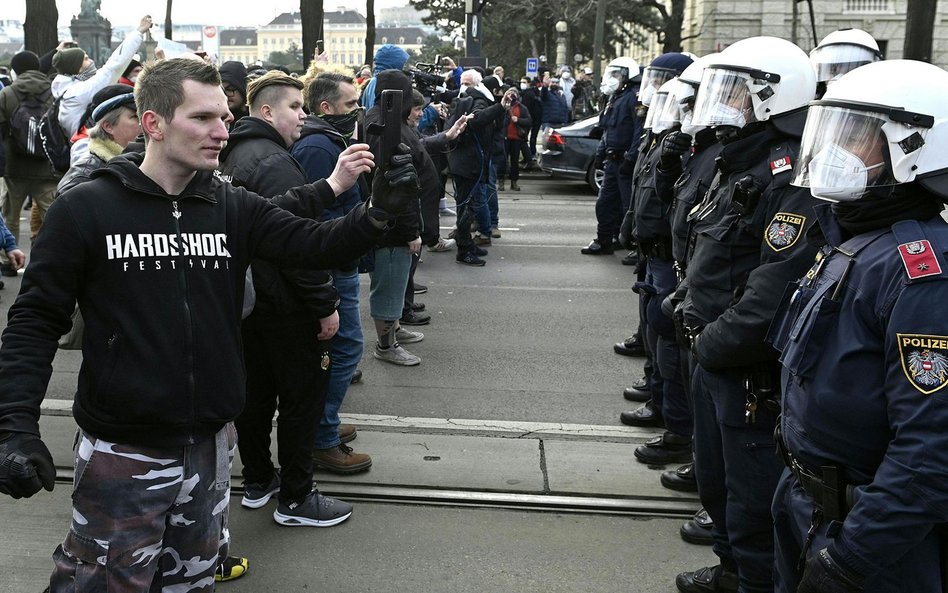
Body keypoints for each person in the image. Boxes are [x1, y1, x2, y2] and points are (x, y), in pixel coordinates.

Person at [0, 57, 416, 591]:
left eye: (224, 115)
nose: (223, 131)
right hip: (123, 453)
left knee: (191, 583)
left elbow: (315, 244)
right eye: (202, 118)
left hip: (211, 449)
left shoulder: (227, 204)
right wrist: (14, 427)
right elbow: (34, 321)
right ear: (153, 123)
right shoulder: (85, 208)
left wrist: (380, 212)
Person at [770, 59, 948, 593]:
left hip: (867, 538)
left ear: (914, 149)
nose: (834, 151)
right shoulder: (858, 237)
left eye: (856, 136)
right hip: (810, 507)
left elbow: (930, 446)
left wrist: (851, 560)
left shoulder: (922, 273)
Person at [674, 37, 821, 593]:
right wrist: (685, 302)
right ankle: (731, 570)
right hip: (710, 349)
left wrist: (711, 340)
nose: (723, 103)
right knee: (716, 483)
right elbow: (710, 247)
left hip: (742, 365)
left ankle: (753, 581)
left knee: (752, 496)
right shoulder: (735, 158)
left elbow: (770, 289)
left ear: (771, 98)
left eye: (735, 91)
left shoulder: (785, 175)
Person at [217, 70, 354, 528]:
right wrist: (324, 303)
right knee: (301, 402)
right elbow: (295, 245)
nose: (304, 115)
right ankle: (296, 498)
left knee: (255, 397)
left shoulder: (235, 151)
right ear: (267, 111)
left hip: (250, 303)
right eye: (295, 107)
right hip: (285, 305)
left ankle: (259, 481)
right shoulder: (273, 161)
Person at [292, 72, 374, 473]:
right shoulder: (317, 147)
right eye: (351, 104)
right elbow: (317, 216)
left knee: (341, 351)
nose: (357, 110)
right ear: (326, 108)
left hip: (339, 263)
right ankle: (321, 438)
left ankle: (325, 425)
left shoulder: (330, 141)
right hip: (332, 267)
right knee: (342, 352)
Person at [364, 70, 425, 365]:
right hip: (394, 223)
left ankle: (394, 330)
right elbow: (398, 183)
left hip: (392, 218)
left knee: (394, 281)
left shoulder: (382, 118)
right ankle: (386, 345)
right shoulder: (388, 126)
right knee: (389, 282)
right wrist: (411, 230)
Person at [0, 50, 60, 277]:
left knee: (10, 216)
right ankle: (52, 262)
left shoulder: (7, 93)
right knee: (53, 216)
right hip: (47, 166)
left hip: (15, 167)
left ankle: (8, 261)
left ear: (15, 69)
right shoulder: (53, 92)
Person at [446, 68, 512, 266]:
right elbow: (477, 120)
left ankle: (466, 244)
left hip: (463, 163)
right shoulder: (477, 99)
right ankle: (464, 249)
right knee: (467, 207)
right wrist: (500, 107)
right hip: (469, 164)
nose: (463, 86)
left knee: (467, 206)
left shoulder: (462, 99)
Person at [51, 16, 151, 137]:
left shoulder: (67, 90)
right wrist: (139, 32)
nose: (91, 61)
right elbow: (113, 67)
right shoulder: (79, 93)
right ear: (77, 68)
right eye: (86, 59)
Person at [581, 56, 641, 255]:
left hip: (625, 161)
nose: (613, 78)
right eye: (612, 73)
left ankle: (633, 246)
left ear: (627, 76)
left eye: (617, 74)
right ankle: (605, 239)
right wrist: (600, 154)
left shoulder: (633, 98)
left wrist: (631, 159)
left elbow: (638, 133)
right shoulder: (615, 98)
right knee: (605, 203)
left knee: (627, 206)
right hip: (612, 160)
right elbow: (607, 130)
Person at [809, 27, 882, 98]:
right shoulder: (815, 106)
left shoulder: (878, 102)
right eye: (833, 71)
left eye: (848, 71)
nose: (838, 78)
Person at [360, 44, 409, 110]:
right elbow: (375, 110)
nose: (404, 67)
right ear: (394, 63)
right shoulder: (378, 83)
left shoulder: (377, 80)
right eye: (402, 64)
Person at [500, 87, 531, 192]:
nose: (511, 96)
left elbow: (528, 121)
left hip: (517, 138)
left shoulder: (522, 108)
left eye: (513, 94)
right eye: (509, 93)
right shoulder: (502, 107)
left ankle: (514, 182)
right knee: (503, 161)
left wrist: (518, 120)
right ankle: (501, 182)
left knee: (515, 161)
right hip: (504, 138)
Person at [219, 60, 249, 125]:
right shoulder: (216, 119)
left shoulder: (255, 119)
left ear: (242, 89)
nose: (225, 95)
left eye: (230, 89)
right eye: (221, 90)